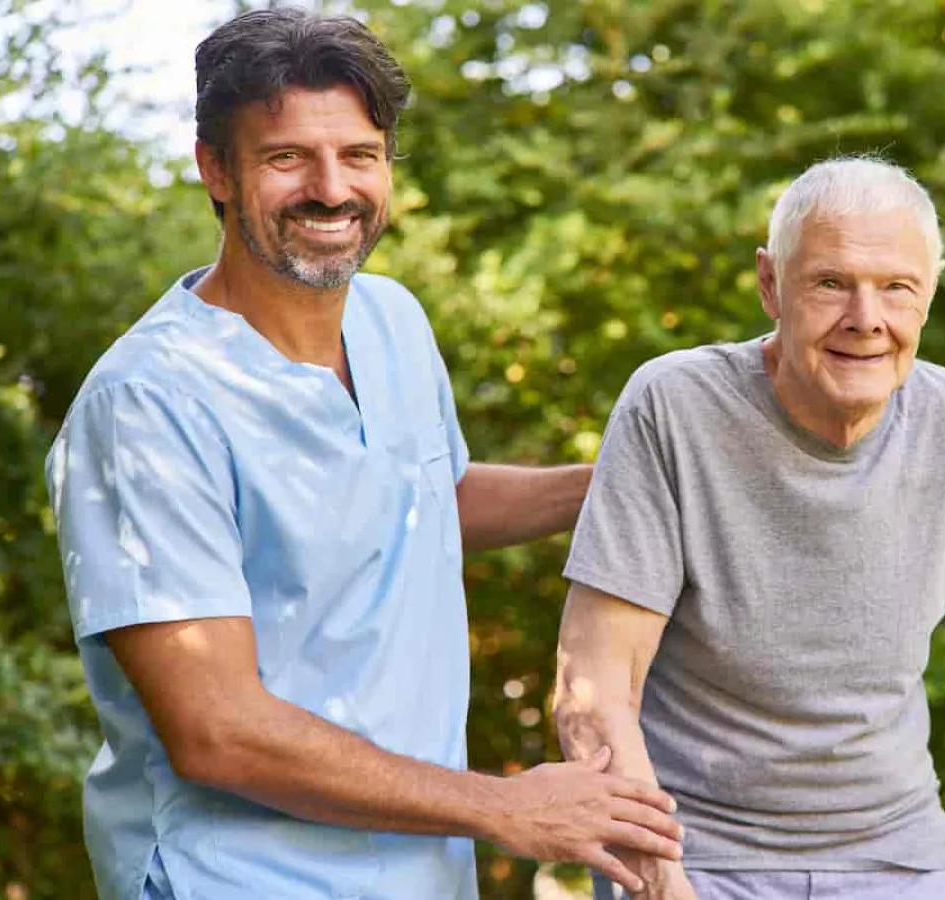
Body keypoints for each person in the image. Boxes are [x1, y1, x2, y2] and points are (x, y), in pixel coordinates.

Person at [44, 9, 681, 900]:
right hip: (238, 879)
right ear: (216, 170)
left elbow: (424, 504)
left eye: (360, 155)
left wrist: (644, 482)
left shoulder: (392, 323)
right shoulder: (148, 404)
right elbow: (214, 728)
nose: (330, 188)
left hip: (419, 874)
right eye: (286, 158)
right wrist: (500, 807)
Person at [553, 157, 945, 900]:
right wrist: (664, 885)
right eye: (830, 283)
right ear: (770, 286)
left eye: (896, 287)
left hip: (899, 855)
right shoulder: (674, 408)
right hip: (700, 855)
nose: (866, 318)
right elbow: (595, 689)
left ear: (928, 297)